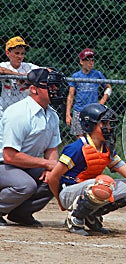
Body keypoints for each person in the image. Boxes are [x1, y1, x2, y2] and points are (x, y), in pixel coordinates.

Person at [47, 103, 126, 236]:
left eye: (110, 124)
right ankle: (75, 218)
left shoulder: (106, 148)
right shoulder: (77, 148)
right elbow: (52, 177)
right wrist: (61, 202)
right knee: (104, 182)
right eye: (104, 124)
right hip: (69, 192)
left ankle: (90, 215)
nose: (109, 128)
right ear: (90, 125)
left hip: (91, 189)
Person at [0, 68, 65, 227]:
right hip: (4, 164)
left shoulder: (52, 115)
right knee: (26, 185)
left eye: (56, 86)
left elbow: (51, 149)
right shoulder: (19, 113)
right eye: (49, 86)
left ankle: (21, 214)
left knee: (58, 176)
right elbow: (9, 156)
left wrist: (51, 169)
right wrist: (45, 164)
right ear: (34, 89)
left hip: (26, 166)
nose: (54, 90)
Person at [66, 48, 112, 137]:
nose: (91, 63)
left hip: (93, 112)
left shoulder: (97, 74)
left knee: (93, 138)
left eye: (92, 60)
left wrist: (102, 101)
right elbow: (71, 95)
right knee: (80, 140)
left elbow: (108, 87)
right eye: (87, 60)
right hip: (79, 110)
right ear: (81, 62)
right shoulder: (76, 76)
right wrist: (68, 114)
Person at [0, 36, 40, 118]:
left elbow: (46, 70)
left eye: (22, 53)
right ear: (8, 53)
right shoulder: (4, 65)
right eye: (17, 53)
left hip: (23, 111)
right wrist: (19, 76)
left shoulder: (28, 66)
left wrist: (29, 76)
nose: (20, 56)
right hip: (5, 110)